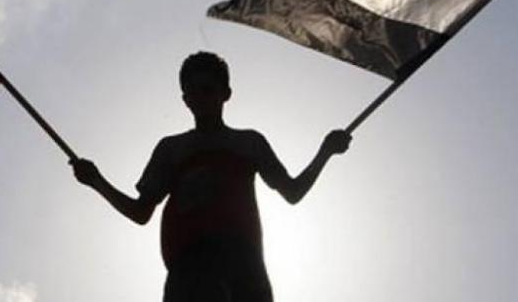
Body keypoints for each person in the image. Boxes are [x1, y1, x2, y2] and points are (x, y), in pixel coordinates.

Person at [71, 51, 351, 302]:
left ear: (225, 93)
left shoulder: (249, 142)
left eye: (207, 90)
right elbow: (141, 211)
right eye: (192, 92)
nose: (200, 99)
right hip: (191, 264)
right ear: (185, 100)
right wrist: (96, 181)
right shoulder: (172, 148)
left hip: (245, 265)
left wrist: (325, 152)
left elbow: (292, 192)